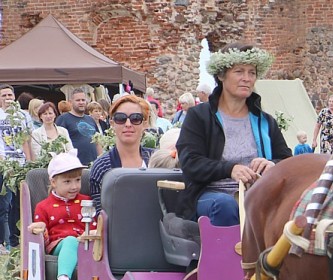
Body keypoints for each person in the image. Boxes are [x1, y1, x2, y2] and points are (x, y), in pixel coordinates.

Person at [176, 42, 291, 226]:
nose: (246, 78)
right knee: (226, 204)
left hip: (259, 193)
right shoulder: (200, 116)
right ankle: (230, 255)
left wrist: (272, 164)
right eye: (239, 71)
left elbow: (287, 161)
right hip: (212, 195)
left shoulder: (265, 121)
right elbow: (191, 162)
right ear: (221, 75)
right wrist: (230, 169)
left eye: (251, 72)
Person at [28, 150, 92, 280]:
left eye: (78, 180)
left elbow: (94, 224)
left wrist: (93, 232)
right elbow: (39, 228)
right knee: (70, 241)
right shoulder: (44, 206)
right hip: (59, 244)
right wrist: (40, 228)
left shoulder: (86, 202)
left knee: (83, 242)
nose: (74, 186)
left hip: (86, 243)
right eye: (67, 182)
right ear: (54, 182)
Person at [90, 94, 153, 214]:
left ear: (145, 123)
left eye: (135, 118)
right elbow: (100, 215)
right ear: (112, 123)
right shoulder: (102, 166)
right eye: (121, 118)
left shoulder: (155, 160)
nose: (128, 124)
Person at [0, 83, 32, 250]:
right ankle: (7, 241)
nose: (8, 99)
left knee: (21, 204)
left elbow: (27, 140)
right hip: (5, 165)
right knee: (6, 204)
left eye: (10, 95)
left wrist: (30, 162)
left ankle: (18, 239)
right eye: (4, 96)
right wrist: (5, 164)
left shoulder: (23, 116)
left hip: (21, 163)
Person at [56, 88, 100, 165]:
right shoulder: (63, 119)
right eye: (78, 100)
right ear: (70, 102)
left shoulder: (90, 119)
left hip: (93, 164)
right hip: (74, 165)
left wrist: (100, 158)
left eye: (83, 100)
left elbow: (98, 142)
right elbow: (59, 144)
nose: (81, 102)